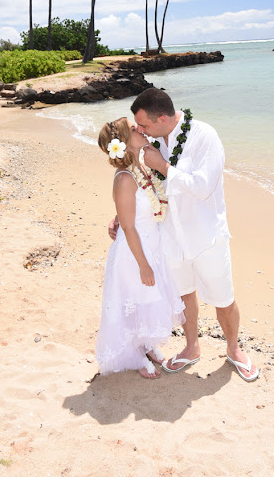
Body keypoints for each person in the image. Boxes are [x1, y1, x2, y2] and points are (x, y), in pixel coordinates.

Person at [109, 88, 258, 382]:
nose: (139, 130)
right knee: (184, 294)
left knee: (223, 298)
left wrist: (163, 165)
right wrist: (121, 216)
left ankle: (234, 349)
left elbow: (202, 186)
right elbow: (145, 183)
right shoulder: (152, 140)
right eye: (138, 126)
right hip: (170, 237)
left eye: (144, 125)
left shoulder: (204, 138)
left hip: (206, 236)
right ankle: (191, 347)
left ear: (163, 118)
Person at [96, 116, 185, 379]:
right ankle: (133, 354)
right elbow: (129, 226)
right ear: (124, 142)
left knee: (149, 299)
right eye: (135, 129)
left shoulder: (143, 168)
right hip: (134, 252)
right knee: (134, 299)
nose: (142, 130)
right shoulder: (125, 178)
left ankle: (146, 344)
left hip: (151, 244)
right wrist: (143, 265)